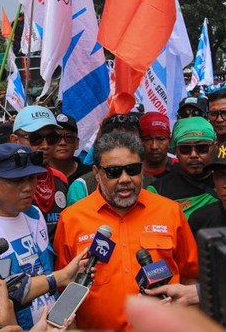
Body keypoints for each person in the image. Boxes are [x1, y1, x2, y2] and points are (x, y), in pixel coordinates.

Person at [54, 131, 199, 331]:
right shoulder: (71, 219)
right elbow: (65, 289)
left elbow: (191, 276)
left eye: (132, 170)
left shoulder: (170, 211)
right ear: (96, 173)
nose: (125, 179)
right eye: (114, 172)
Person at [0, 144, 82, 330]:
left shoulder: (35, 215)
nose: (28, 187)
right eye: (16, 180)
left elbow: (44, 272)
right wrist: (60, 277)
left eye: (32, 178)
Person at [10, 105, 68, 241]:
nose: (45, 145)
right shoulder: (1, 184)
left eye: (52, 138)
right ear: (15, 140)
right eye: (35, 138)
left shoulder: (60, 178)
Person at [148, 116, 218, 219]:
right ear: (176, 151)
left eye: (202, 148)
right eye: (185, 149)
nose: (193, 155)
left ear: (214, 147)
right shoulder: (158, 191)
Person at [49, 113, 91, 182]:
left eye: (69, 137)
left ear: (77, 143)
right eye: (55, 137)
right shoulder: (38, 175)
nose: (62, 143)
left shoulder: (90, 175)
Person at [139, 112, 176, 178]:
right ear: (141, 140)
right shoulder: (132, 171)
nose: (154, 146)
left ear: (169, 140)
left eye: (160, 139)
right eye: (148, 139)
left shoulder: (181, 168)